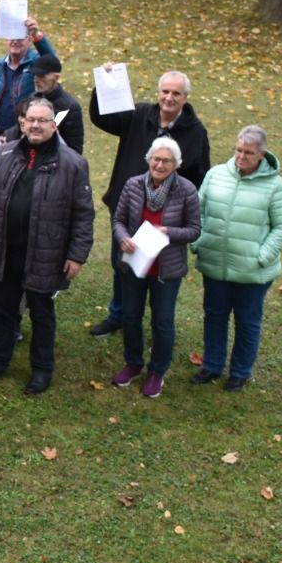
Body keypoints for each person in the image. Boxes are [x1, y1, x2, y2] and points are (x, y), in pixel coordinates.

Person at [0, 97, 95, 395]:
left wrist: (76, 256)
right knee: (3, 310)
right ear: (23, 123)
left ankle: (41, 369)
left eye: (43, 121)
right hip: (7, 249)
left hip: (45, 253)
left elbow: (84, 214)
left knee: (41, 313)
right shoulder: (9, 152)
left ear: (53, 126)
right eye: (31, 120)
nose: (36, 125)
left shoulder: (73, 164)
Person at [87, 68, 211, 336]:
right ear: (158, 93)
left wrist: (184, 207)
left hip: (167, 215)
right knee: (122, 261)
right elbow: (102, 117)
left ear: (185, 97)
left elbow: (200, 174)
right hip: (127, 205)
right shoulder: (140, 114)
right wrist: (103, 85)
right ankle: (119, 314)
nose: (169, 97)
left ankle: (157, 320)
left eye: (176, 93)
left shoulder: (195, 131)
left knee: (158, 270)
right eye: (165, 91)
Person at [193, 125, 282, 392]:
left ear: (261, 154)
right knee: (214, 316)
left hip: (252, 271)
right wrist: (198, 242)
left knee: (247, 321)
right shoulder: (216, 175)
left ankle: (240, 372)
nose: (241, 157)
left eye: (248, 153)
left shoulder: (274, 185)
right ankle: (212, 366)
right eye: (238, 150)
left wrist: (262, 256)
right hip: (215, 264)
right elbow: (197, 212)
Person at [110, 137, 201, 398]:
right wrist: (122, 238)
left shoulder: (186, 190)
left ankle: (157, 371)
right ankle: (133, 363)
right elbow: (118, 220)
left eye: (166, 161)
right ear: (149, 159)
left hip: (165, 270)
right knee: (130, 315)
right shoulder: (133, 185)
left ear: (176, 165)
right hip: (134, 266)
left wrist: (168, 231)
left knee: (162, 322)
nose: (159, 165)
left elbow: (194, 230)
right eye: (156, 159)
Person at [0, 15, 57, 130]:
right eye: (12, 37)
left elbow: (53, 63)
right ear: (6, 40)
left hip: (27, 133)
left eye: (21, 37)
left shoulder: (36, 63)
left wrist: (38, 36)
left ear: (30, 40)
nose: (15, 41)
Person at [30, 54, 83, 153]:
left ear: (56, 77)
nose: (36, 80)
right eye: (35, 75)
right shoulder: (32, 99)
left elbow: (75, 151)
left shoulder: (70, 108)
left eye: (42, 76)